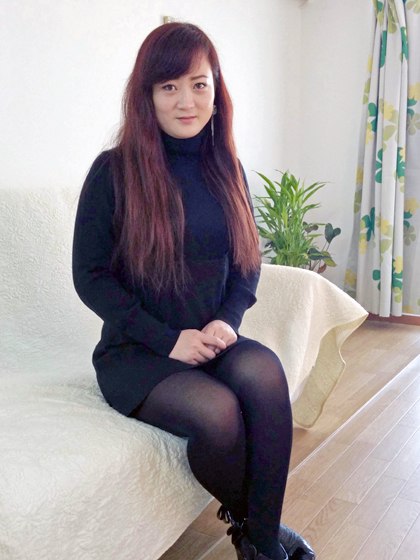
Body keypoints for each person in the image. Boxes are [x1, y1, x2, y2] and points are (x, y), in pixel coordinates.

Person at [72, 22, 315, 560]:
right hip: (139, 350)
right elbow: (90, 277)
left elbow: (247, 262)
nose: (187, 101)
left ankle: (257, 542)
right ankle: (264, 539)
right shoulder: (113, 171)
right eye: (170, 87)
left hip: (211, 338)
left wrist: (227, 321)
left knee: (267, 376)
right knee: (217, 413)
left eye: (199, 84)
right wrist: (168, 340)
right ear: (147, 95)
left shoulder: (226, 167)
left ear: (216, 89)